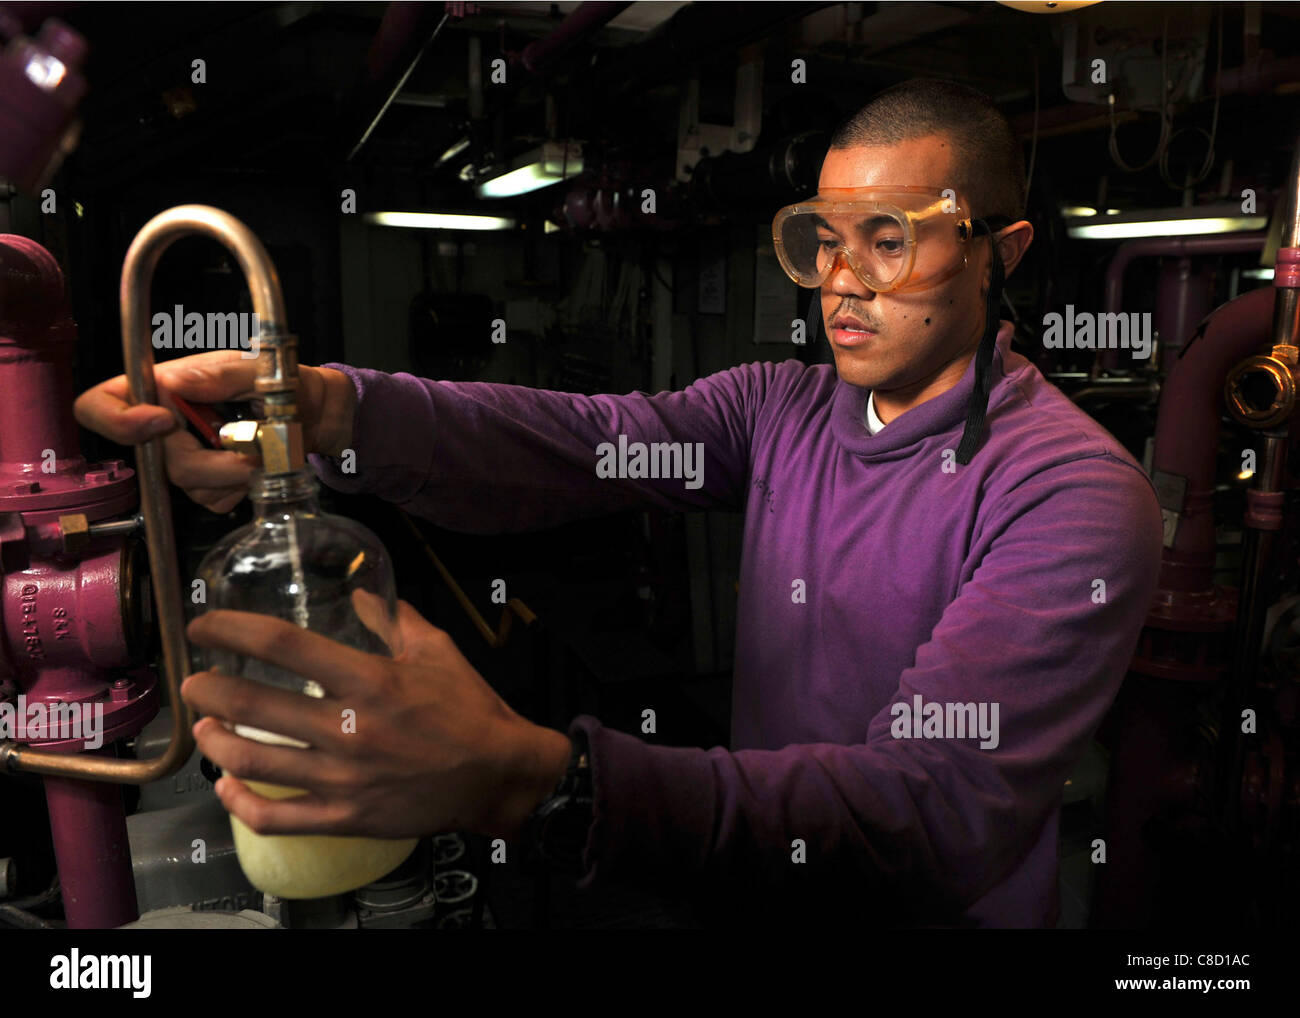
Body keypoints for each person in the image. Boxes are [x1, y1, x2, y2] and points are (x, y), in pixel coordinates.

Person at [75, 79, 1163, 927]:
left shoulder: (1068, 495)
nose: (841, 281)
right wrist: (331, 410)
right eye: (822, 242)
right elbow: (579, 444)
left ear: (1000, 253)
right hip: (748, 902)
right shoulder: (776, 408)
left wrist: (550, 779)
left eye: (889, 239)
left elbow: (931, 806)